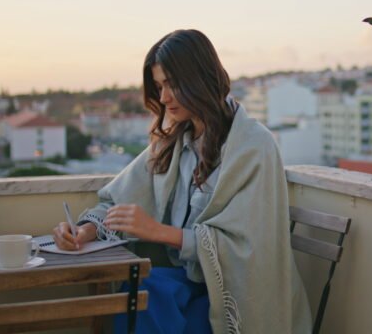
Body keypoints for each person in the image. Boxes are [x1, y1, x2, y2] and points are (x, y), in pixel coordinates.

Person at [52, 29, 312, 334]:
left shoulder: (254, 146)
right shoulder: (174, 142)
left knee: (147, 294)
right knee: (143, 290)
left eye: (172, 84)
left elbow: (248, 248)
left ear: (199, 78)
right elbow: (118, 199)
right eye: (160, 86)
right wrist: (86, 230)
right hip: (182, 287)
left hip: (228, 300)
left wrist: (159, 232)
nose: (163, 98)